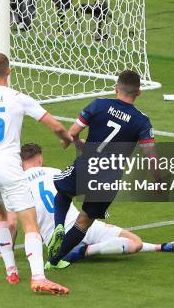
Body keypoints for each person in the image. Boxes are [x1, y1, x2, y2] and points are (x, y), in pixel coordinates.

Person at [0, 53, 71, 295]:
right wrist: (66, 138)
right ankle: (39, 277)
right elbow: (56, 125)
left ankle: (11, 270)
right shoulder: (18, 98)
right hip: (9, 167)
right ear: (9, 71)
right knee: (30, 223)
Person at [46, 70, 158, 269]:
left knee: (63, 192)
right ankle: (53, 262)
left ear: (116, 88)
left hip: (87, 164)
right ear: (139, 92)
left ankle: (59, 226)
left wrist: (74, 143)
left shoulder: (99, 105)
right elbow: (150, 154)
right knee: (84, 221)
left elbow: (72, 133)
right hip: (110, 177)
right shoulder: (142, 120)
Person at [12, 143, 174, 266]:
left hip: (55, 242)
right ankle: (84, 251)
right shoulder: (55, 172)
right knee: (135, 243)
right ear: (40, 159)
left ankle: (161, 246)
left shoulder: (16, 185)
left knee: (128, 242)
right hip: (83, 225)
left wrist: (8, 251)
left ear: (21, 164)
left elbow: (12, 224)